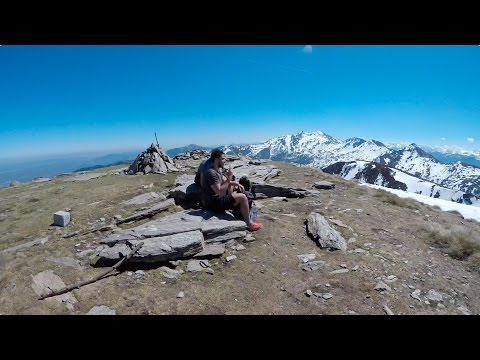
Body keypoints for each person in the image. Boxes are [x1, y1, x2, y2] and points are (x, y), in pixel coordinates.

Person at [200, 149, 263, 231]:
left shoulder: (217, 170)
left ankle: (238, 211)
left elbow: (224, 181)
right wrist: (229, 179)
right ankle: (249, 224)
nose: (225, 160)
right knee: (243, 197)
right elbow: (219, 191)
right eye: (222, 159)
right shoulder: (211, 173)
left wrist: (235, 183)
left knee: (239, 192)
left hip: (216, 199)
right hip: (212, 204)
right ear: (216, 160)